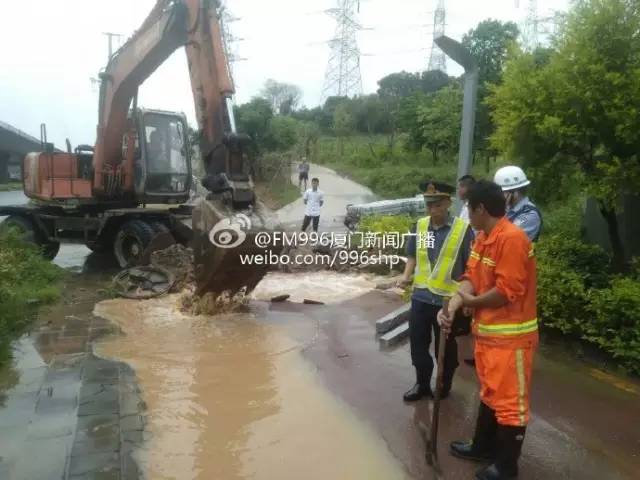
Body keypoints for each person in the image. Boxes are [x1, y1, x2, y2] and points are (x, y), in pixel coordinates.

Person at [438, 180, 538, 480]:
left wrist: (471, 301)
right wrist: (455, 304)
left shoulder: (513, 239)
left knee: (510, 403)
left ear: (481, 208)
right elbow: (471, 275)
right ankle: (483, 446)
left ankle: (507, 467)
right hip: (488, 335)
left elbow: (507, 290)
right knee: (490, 394)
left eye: (468, 208)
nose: (466, 214)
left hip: (512, 339)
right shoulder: (483, 238)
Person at [397, 181, 473, 402]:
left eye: (437, 205)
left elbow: (471, 266)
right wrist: (405, 276)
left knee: (446, 349)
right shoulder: (419, 226)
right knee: (418, 345)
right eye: (428, 205)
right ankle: (422, 384)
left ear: (448, 203)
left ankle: (443, 385)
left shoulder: (462, 230)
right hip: (421, 297)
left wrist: (469, 300)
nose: (431, 210)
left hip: (448, 301)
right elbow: (413, 256)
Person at [493, 166, 542, 242]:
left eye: (501, 193)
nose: (498, 196)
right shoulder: (507, 210)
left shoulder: (530, 214)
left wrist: (500, 211)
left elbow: (504, 239)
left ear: (515, 193)